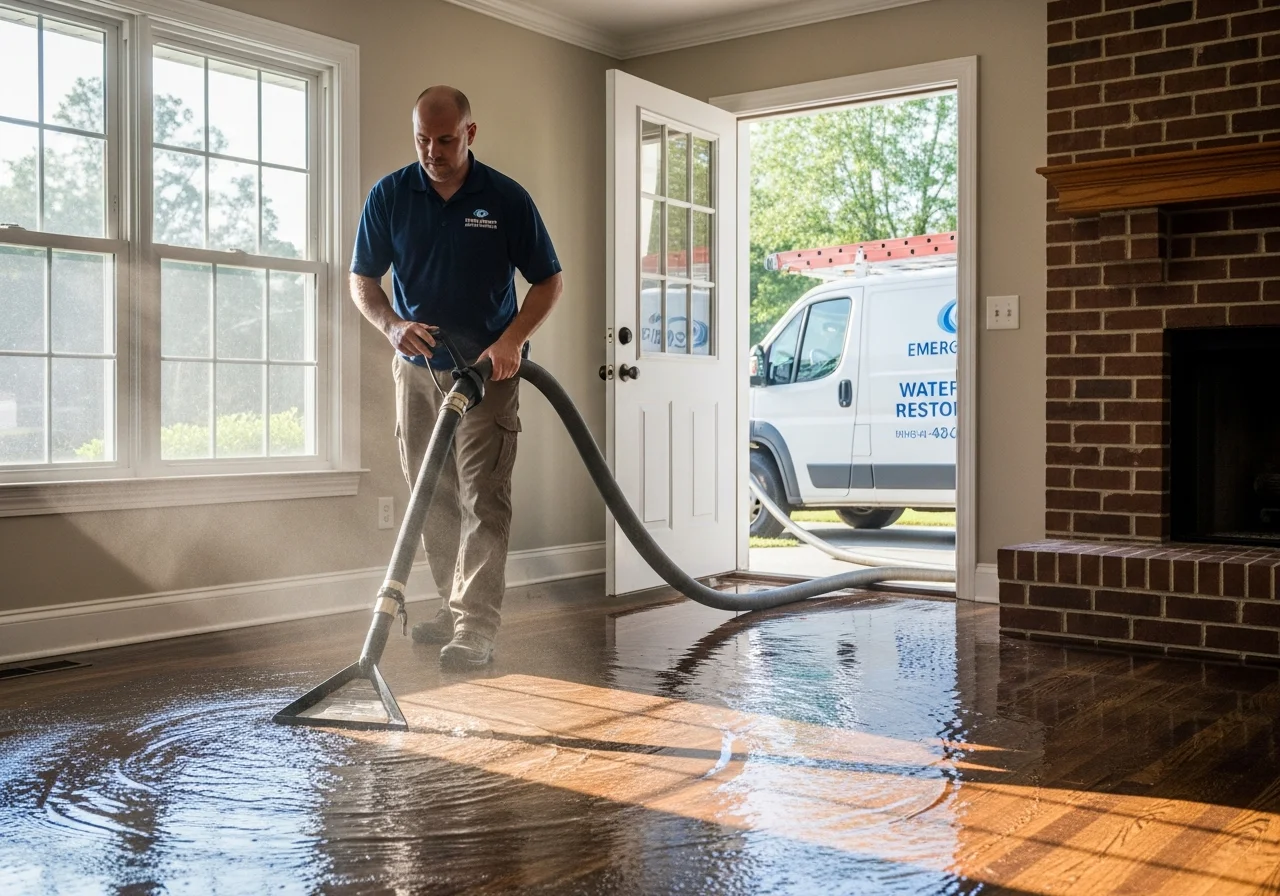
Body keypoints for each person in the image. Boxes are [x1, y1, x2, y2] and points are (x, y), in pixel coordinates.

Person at [349, 86, 563, 669]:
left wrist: (511, 341)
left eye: (445, 139)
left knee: (483, 499)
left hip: (487, 374)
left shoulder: (505, 198)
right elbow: (363, 280)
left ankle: (475, 627)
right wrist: (392, 326)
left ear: (470, 132)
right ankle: (450, 605)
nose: (433, 151)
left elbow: (548, 281)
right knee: (431, 499)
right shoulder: (391, 195)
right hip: (417, 371)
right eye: (422, 138)